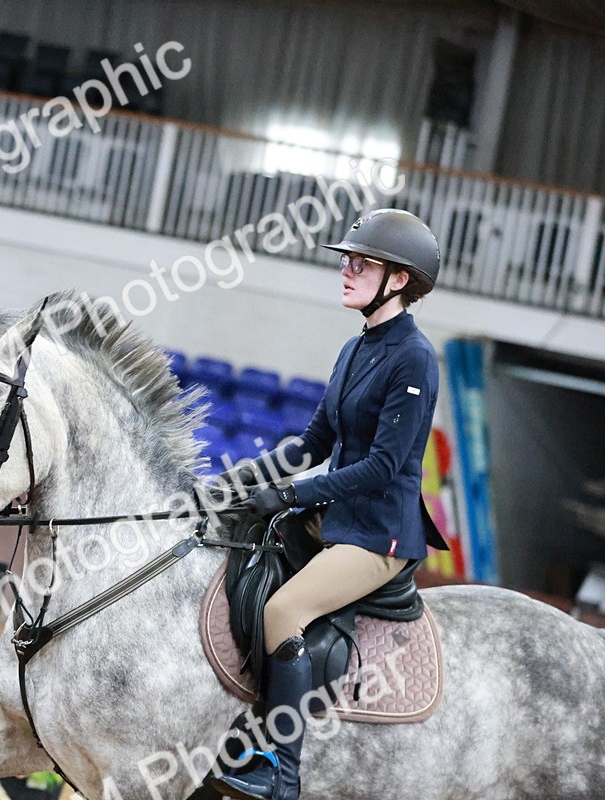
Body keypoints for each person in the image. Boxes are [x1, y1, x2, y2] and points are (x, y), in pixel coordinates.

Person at [209, 208, 449, 800]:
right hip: (337, 516)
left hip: (379, 533)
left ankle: (282, 773)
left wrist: (288, 495)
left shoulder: (414, 358)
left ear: (398, 279)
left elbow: (382, 468)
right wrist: (241, 480)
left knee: (284, 611)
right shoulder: (354, 347)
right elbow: (313, 443)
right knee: (243, 562)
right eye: (346, 258)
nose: (345, 269)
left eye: (359, 261)